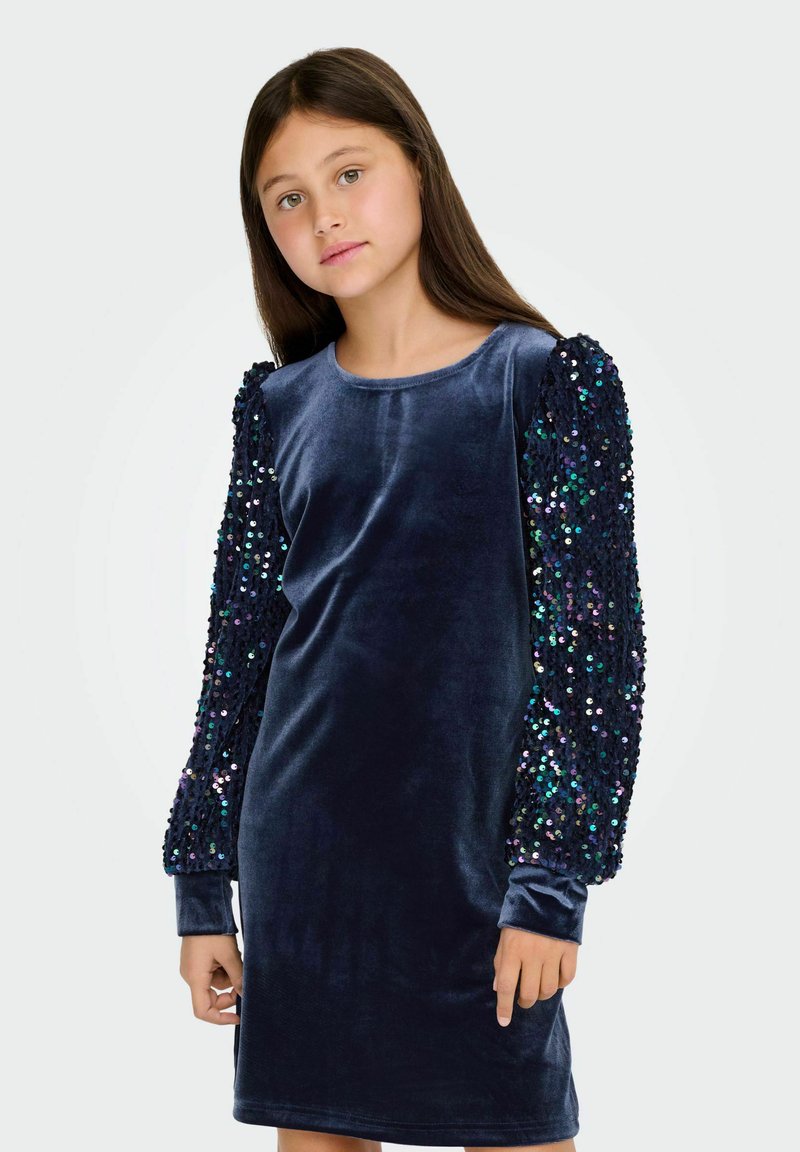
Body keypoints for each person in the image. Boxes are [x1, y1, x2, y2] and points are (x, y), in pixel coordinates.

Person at [161, 46, 647, 1152]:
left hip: (480, 876)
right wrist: (202, 887)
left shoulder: (542, 382)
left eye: (349, 173)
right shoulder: (279, 408)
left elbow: (592, 657)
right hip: (304, 875)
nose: (323, 215)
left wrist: (550, 885)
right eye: (287, 198)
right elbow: (238, 658)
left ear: (418, 168)